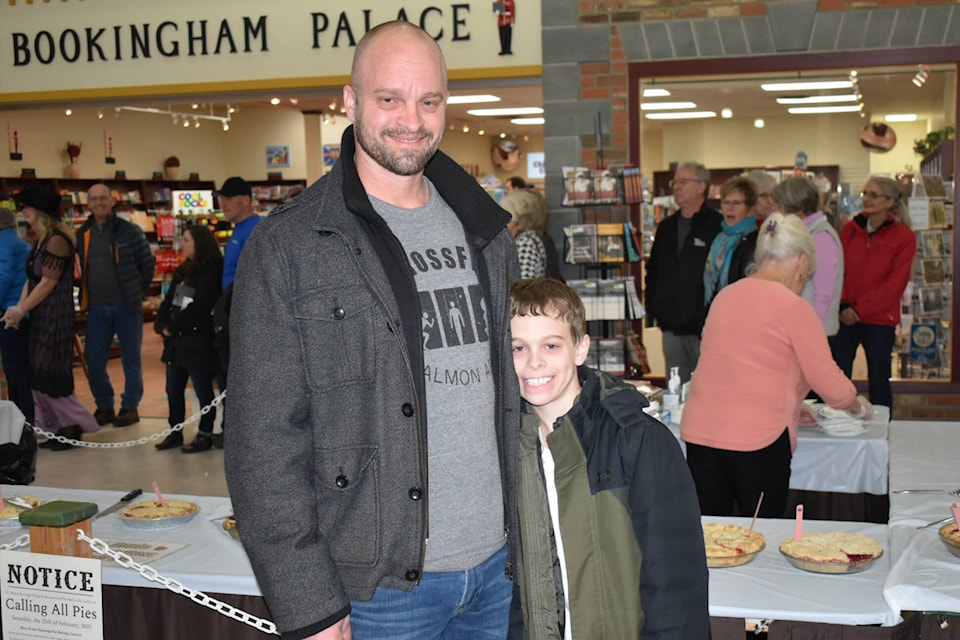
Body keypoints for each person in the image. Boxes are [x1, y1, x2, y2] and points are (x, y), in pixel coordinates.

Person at [224, 21, 521, 640]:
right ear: (351, 101)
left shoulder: (486, 233)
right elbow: (262, 443)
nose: (411, 119)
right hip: (378, 589)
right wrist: (308, 603)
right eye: (390, 98)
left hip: (497, 571)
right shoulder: (291, 246)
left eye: (429, 100)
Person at [509, 278, 709, 640]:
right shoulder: (507, 451)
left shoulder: (638, 441)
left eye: (551, 345)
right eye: (518, 348)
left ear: (581, 348)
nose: (534, 362)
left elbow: (675, 585)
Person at [680, 214, 873, 518]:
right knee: (761, 533)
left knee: (711, 537)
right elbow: (828, 381)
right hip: (756, 439)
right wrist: (858, 406)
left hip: (701, 434)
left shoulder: (725, 296)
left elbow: (735, 366)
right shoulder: (794, 307)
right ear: (800, 260)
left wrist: (794, 404)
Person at [1, 187, 99, 451]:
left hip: (55, 316)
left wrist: (21, 310)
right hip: (41, 314)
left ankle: (74, 424)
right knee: (38, 372)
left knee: (52, 371)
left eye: (27, 208)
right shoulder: (40, 240)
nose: (24, 213)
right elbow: (31, 280)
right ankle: (56, 428)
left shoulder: (57, 240)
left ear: (40, 212)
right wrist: (19, 309)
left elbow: (47, 283)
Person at [831, 176, 916, 409]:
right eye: (865, 193)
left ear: (890, 202)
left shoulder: (904, 237)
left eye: (873, 195)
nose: (866, 199)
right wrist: (845, 305)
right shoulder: (850, 229)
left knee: (878, 382)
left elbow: (895, 284)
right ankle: (838, 428)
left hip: (879, 319)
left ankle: (882, 435)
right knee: (837, 379)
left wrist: (860, 309)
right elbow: (837, 270)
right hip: (846, 316)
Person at [76, 183, 155, 427]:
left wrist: (137, 292)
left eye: (103, 198)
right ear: (88, 203)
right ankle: (105, 405)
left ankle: (130, 407)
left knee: (131, 359)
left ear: (112, 201)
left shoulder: (129, 230)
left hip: (126, 306)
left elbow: (147, 264)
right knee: (94, 359)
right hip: (97, 307)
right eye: (94, 199)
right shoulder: (83, 233)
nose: (99, 203)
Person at [644, 161, 722, 384]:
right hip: (671, 327)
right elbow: (654, 270)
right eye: (674, 182)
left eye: (683, 181)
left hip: (704, 329)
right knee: (675, 388)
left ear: (701, 186)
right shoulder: (666, 227)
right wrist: (655, 308)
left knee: (707, 387)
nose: (676, 187)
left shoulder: (716, 226)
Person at [153, 225, 223, 454]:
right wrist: (162, 322)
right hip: (176, 342)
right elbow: (170, 299)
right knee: (173, 389)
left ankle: (204, 433)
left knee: (202, 390)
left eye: (186, 240)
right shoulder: (184, 270)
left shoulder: (212, 269)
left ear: (199, 243)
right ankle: (175, 431)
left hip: (197, 340)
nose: (182, 245)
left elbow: (202, 304)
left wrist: (173, 327)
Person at [774, 176, 843, 337]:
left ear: (798, 211)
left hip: (815, 332)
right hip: (799, 329)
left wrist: (810, 333)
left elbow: (824, 294)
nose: (777, 213)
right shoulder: (803, 233)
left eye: (780, 208)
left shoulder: (821, 237)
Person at [0, 207, 34, 424]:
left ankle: (25, 420)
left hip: (11, 314)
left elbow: (2, 276)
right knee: (21, 368)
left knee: (15, 370)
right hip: (24, 311)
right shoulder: (18, 242)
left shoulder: (3, 242)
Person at [703, 176, 758, 308]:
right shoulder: (718, 240)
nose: (730, 208)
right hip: (716, 313)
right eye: (726, 202)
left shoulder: (755, 242)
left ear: (750, 210)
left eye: (737, 203)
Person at [217, 176, 261, 291]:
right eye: (222, 198)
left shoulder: (257, 229)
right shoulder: (239, 228)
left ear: (246, 200)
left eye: (229, 198)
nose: (224, 204)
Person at [501, 190, 546, 279]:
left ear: (520, 220)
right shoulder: (529, 239)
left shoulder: (525, 244)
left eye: (507, 220)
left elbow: (522, 285)